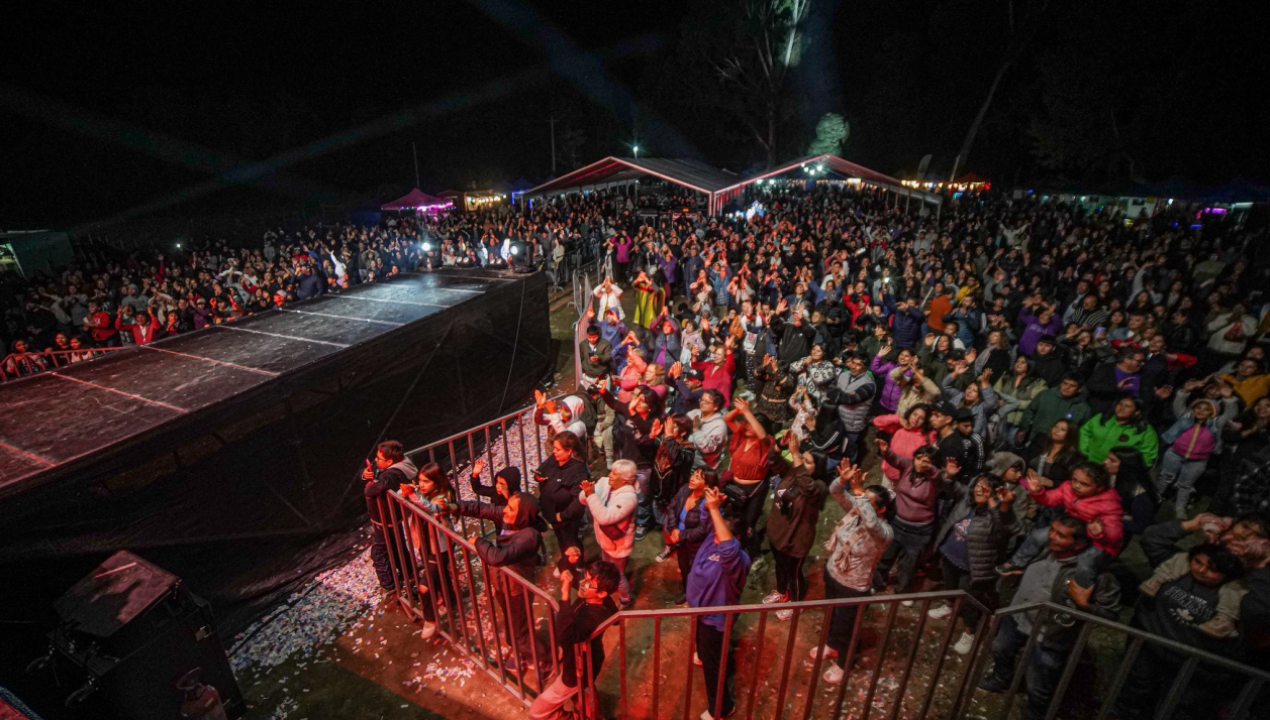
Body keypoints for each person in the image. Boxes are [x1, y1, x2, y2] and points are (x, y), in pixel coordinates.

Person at [978, 517, 1122, 720]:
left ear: (1079, 544)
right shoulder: (1041, 550)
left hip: (1050, 635)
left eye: (1061, 535)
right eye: (1052, 530)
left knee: (1038, 682)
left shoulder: (1094, 574)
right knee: (1001, 649)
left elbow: (1110, 614)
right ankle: (1000, 679)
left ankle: (1035, 714)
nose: (1052, 536)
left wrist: (1084, 605)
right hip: (1017, 617)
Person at [451, 490, 550, 679]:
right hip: (502, 583)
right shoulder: (509, 518)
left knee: (520, 630)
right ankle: (522, 651)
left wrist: (479, 542)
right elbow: (483, 509)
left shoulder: (529, 536)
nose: (505, 510)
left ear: (522, 515)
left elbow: (498, 557)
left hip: (516, 589)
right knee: (514, 624)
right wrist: (455, 506)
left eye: (510, 508)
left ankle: (542, 658)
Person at [814, 462, 894, 685]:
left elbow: (871, 523)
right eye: (861, 498)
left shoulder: (884, 533)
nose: (861, 503)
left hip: (853, 587)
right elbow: (835, 491)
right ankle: (831, 645)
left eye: (868, 501)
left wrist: (858, 493)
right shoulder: (856, 511)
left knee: (846, 628)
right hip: (833, 574)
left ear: (881, 510)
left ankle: (844, 664)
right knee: (831, 616)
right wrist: (843, 480)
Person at [927, 474, 1016, 655]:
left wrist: (999, 503)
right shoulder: (966, 500)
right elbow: (948, 485)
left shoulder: (995, 514)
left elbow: (1004, 526)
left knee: (969, 602)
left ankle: (970, 631)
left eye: (985, 487)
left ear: (994, 493)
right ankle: (948, 606)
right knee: (949, 586)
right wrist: (947, 474)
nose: (979, 489)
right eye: (978, 484)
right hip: (949, 556)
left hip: (972, 568)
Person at [686, 486, 750, 720]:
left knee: (714, 669)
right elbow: (706, 518)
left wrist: (715, 510)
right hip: (701, 612)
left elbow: (728, 547)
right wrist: (713, 505)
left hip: (715, 620)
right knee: (705, 649)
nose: (715, 537)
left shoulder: (736, 558)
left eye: (720, 534)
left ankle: (722, 708)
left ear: (737, 537)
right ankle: (704, 654)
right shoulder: (714, 539)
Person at [528, 560, 622, 720]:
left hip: (577, 668)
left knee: (537, 712)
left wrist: (565, 595)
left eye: (589, 583)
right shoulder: (597, 596)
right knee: (584, 692)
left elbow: (566, 635)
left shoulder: (595, 615)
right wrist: (569, 561)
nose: (583, 584)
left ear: (601, 594)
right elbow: (569, 571)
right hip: (584, 660)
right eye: (586, 577)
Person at [871, 440, 956, 594]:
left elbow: (943, 480)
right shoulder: (908, 466)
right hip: (896, 522)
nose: (920, 463)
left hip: (919, 531)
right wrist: (885, 450)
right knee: (886, 556)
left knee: (908, 564)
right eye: (918, 458)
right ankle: (876, 583)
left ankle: (902, 591)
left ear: (933, 464)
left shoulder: (935, 478)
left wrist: (944, 473)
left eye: (926, 461)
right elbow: (895, 459)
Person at [762, 433, 828, 619]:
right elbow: (773, 460)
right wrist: (779, 446)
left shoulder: (819, 487)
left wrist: (796, 454)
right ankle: (781, 592)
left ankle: (795, 603)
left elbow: (807, 487)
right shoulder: (793, 472)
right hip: (778, 533)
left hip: (795, 541)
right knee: (780, 566)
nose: (801, 463)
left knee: (794, 573)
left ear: (818, 467)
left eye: (807, 462)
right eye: (802, 459)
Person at [401, 462, 459, 638]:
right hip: (425, 544)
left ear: (437, 481)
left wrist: (413, 495)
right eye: (420, 481)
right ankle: (450, 603)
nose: (422, 484)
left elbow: (431, 508)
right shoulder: (422, 493)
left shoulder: (444, 497)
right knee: (441, 577)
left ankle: (431, 619)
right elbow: (408, 499)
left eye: (426, 481)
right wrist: (408, 492)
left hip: (440, 548)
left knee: (424, 586)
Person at [362, 440, 417, 596]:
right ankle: (409, 573)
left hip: (385, 517)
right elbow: (377, 473)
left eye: (379, 459)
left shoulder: (391, 474)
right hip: (391, 516)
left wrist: (368, 489)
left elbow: (380, 485)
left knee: (379, 552)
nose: (375, 461)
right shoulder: (401, 466)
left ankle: (390, 586)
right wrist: (366, 475)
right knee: (398, 545)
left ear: (389, 461)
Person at [581, 460, 638, 609]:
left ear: (625, 480)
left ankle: (626, 599)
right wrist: (588, 493)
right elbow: (582, 498)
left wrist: (591, 495)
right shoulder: (606, 482)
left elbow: (604, 518)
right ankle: (607, 587)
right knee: (606, 568)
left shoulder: (629, 498)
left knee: (617, 574)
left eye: (615, 473)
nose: (610, 475)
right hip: (605, 541)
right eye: (611, 471)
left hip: (618, 545)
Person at [724, 396, 775, 559]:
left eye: (751, 424)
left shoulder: (765, 444)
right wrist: (738, 410)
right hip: (735, 485)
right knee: (732, 519)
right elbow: (727, 419)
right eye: (747, 423)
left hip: (754, 489)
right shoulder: (742, 436)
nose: (747, 426)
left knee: (748, 523)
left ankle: (749, 553)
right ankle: (731, 547)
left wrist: (747, 413)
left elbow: (763, 436)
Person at [536, 431, 591, 571]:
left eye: (558, 449)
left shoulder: (579, 471)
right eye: (554, 448)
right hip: (552, 513)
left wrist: (561, 516)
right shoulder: (554, 459)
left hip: (567, 517)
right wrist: (538, 477)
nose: (554, 452)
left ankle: (578, 565)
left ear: (569, 451)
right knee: (561, 539)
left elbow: (579, 501)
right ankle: (566, 563)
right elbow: (541, 469)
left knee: (571, 541)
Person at [1079, 396, 1159, 465]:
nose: (1121, 408)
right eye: (1120, 404)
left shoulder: (1146, 431)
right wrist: (1083, 453)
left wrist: (1126, 468)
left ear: (1137, 412)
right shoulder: (1101, 418)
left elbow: (1147, 456)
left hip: (1119, 471)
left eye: (1127, 406)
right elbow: (1084, 432)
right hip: (1089, 462)